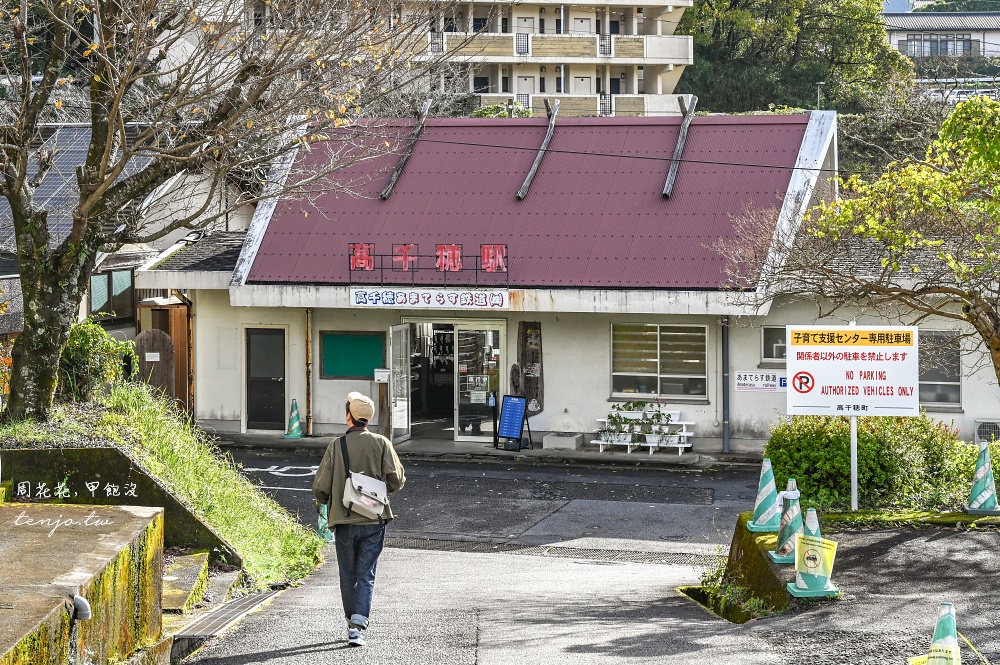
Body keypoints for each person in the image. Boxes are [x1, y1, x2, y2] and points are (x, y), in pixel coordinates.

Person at [313, 391, 406, 647]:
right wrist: (377, 492)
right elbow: (396, 480)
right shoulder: (381, 443)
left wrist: (322, 502)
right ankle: (357, 626)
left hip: (344, 520)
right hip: (374, 520)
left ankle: (351, 620)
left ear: (349, 417)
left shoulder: (337, 445)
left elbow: (320, 486)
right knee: (366, 574)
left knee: (347, 573)